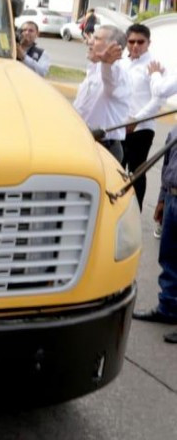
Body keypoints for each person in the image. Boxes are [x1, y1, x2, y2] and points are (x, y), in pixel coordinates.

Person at [133, 127, 177, 341]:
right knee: (168, 257)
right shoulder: (175, 130)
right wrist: (161, 200)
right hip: (172, 197)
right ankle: (167, 308)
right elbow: (167, 165)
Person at [120, 24, 167, 211]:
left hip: (142, 128)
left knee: (137, 172)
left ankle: (135, 212)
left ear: (148, 43)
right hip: (118, 127)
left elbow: (159, 99)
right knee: (115, 169)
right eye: (131, 41)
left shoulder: (154, 66)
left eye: (140, 42)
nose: (135, 46)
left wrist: (136, 119)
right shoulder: (121, 63)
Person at [73, 24, 130, 161]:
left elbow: (110, 81)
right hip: (84, 144)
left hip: (104, 150)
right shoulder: (94, 69)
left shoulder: (116, 73)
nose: (90, 41)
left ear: (113, 47)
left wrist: (107, 64)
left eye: (97, 39)